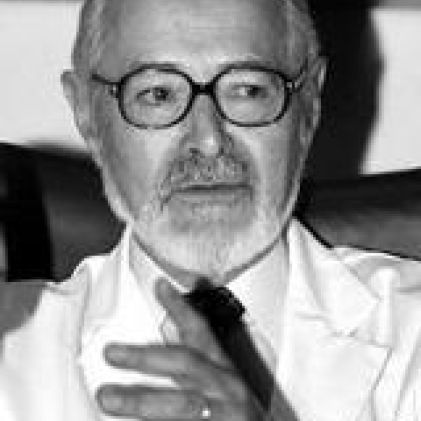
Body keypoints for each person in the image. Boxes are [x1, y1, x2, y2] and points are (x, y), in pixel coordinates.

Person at [2, 0, 421, 419]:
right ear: (86, 114)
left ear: (310, 104)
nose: (209, 141)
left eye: (248, 90)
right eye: (158, 94)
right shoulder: (12, 349)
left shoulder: (412, 331)